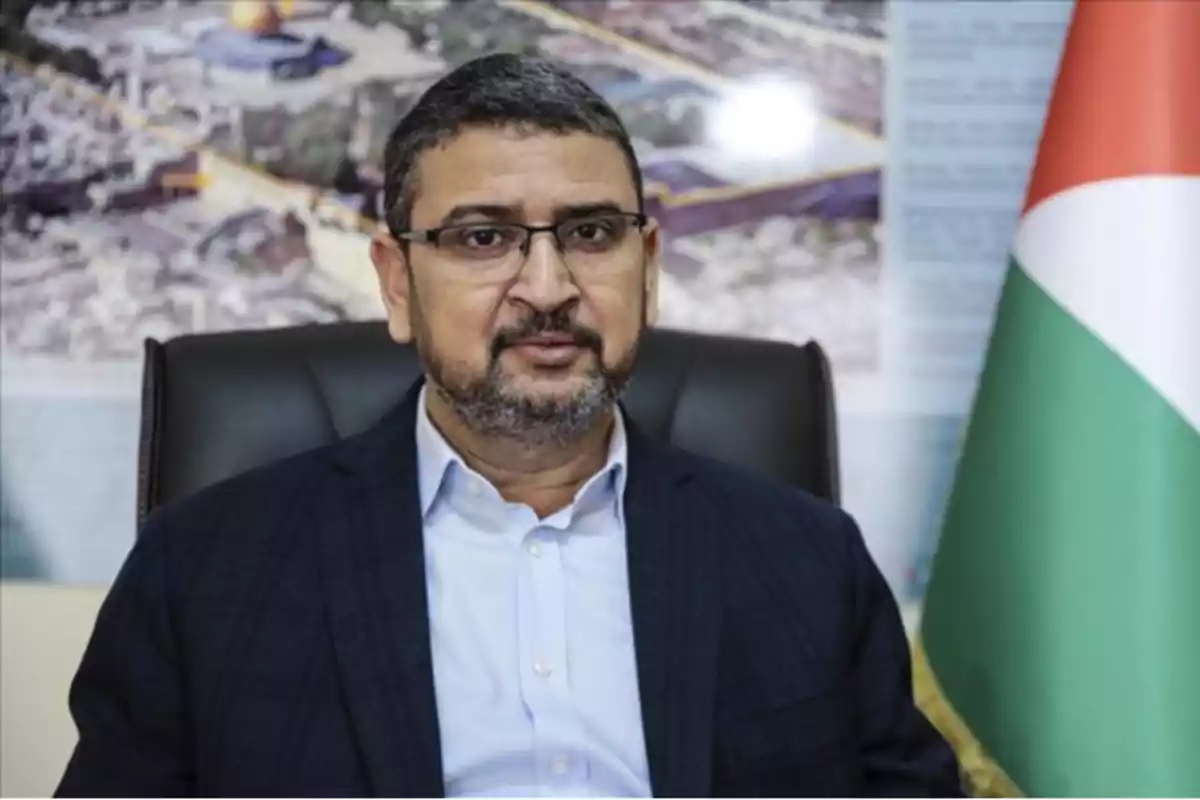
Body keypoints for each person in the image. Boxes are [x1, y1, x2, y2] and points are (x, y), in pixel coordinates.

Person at [57, 54, 962, 798]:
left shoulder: (807, 561)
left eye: (592, 233)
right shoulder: (207, 569)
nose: (547, 287)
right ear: (397, 283)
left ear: (646, 267)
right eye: (484, 238)